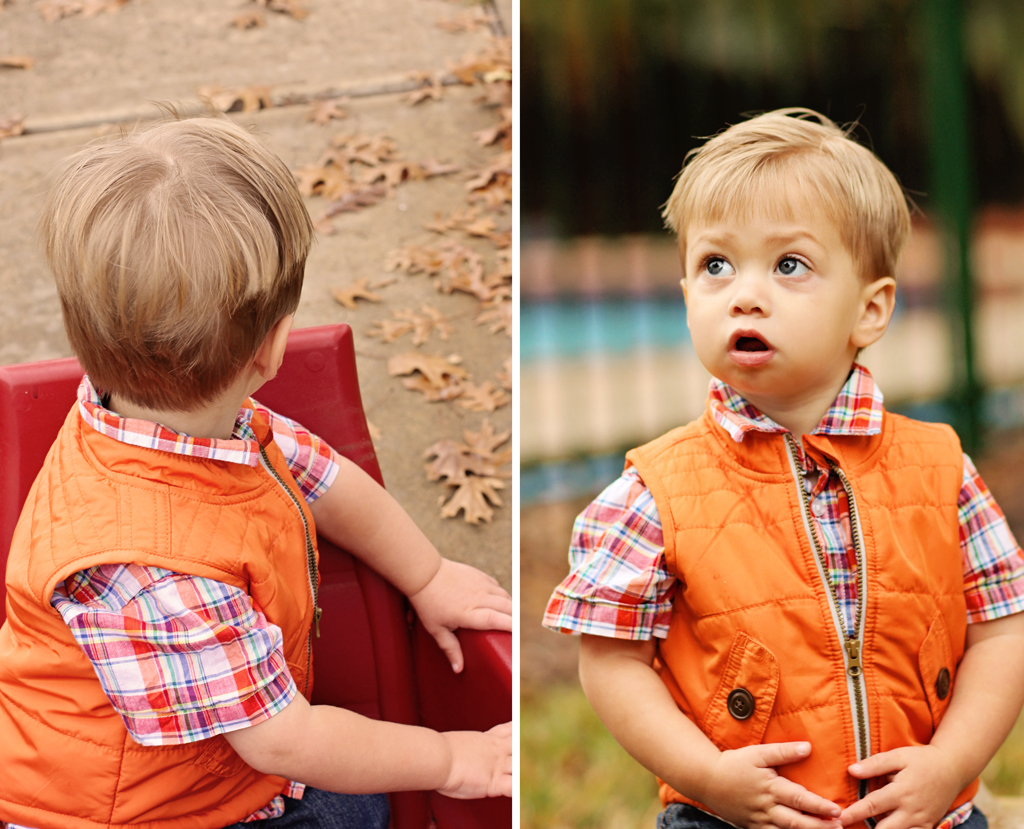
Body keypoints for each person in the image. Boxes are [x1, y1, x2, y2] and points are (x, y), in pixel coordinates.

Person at [0, 116, 512, 829]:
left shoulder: (174, 418)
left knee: (357, 799)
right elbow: (286, 738)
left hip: (203, 762)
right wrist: (454, 759)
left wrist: (428, 574)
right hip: (115, 814)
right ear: (271, 348)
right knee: (357, 802)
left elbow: (322, 476)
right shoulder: (154, 572)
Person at [544, 108, 1024, 829]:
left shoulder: (942, 468)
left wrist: (951, 764)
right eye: (715, 265)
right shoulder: (655, 490)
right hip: (733, 815)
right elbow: (611, 661)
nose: (744, 292)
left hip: (924, 812)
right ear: (685, 297)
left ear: (871, 309)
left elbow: (1002, 631)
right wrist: (706, 775)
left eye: (789, 264)